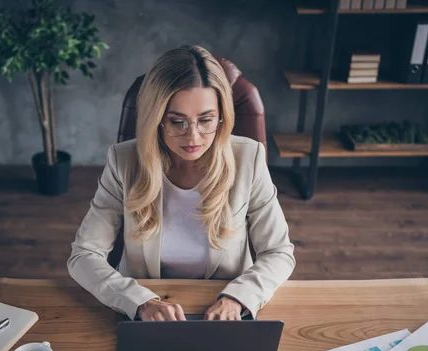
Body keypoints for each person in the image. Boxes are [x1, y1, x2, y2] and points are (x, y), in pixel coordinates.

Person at [67, 44, 295, 322]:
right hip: (146, 310)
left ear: (222, 116)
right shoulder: (123, 160)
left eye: (206, 120)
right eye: (177, 122)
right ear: (156, 119)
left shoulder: (249, 157)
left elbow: (278, 252)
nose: (194, 138)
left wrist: (239, 297)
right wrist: (139, 302)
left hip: (224, 309)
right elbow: (84, 255)